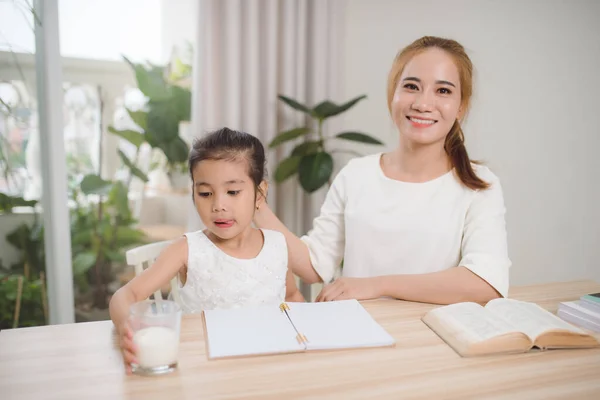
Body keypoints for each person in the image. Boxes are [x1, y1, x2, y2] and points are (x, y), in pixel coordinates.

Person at [254, 36, 511, 305]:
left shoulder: (479, 185)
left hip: (434, 339)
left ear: (461, 106)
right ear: (393, 95)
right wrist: (253, 202)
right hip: (359, 332)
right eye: (412, 86)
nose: (423, 104)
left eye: (443, 91)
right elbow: (313, 265)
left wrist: (378, 285)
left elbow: (486, 283)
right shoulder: (356, 175)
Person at [109, 127, 304, 373]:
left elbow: (293, 298)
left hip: (267, 368)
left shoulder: (277, 246)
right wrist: (130, 326)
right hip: (203, 370)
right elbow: (124, 296)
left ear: (259, 194)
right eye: (205, 193)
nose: (218, 205)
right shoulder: (186, 250)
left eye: (233, 192)